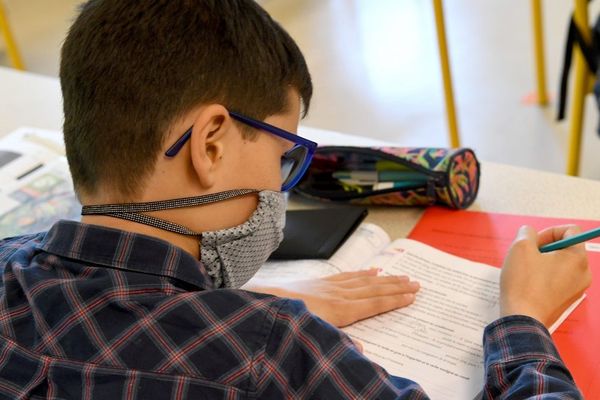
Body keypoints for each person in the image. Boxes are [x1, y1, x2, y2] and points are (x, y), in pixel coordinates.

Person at [0, 0, 590, 398]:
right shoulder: (273, 349)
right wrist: (523, 316)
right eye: (282, 153)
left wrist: (230, 297)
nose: (281, 182)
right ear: (210, 144)